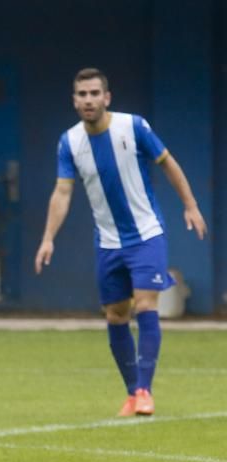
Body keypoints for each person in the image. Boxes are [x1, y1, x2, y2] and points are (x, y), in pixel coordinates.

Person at [35, 68, 207, 417]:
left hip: (146, 235)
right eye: (82, 94)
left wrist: (190, 205)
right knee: (115, 315)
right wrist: (48, 238)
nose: (88, 100)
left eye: (94, 93)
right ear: (74, 100)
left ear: (107, 97)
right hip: (108, 242)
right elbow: (63, 192)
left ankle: (145, 390)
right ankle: (132, 393)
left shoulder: (134, 127)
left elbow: (168, 163)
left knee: (145, 306)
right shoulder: (69, 142)